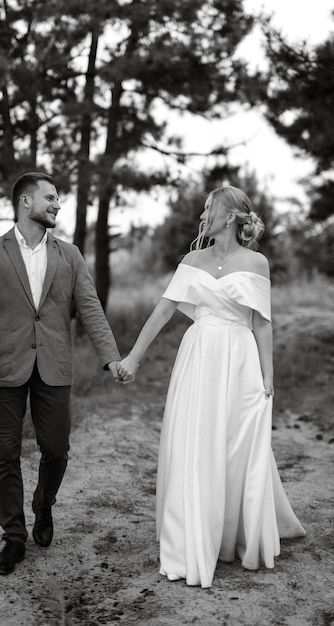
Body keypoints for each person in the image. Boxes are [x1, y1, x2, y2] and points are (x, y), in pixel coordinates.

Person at [118, 185, 305, 588]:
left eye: (209, 208)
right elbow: (164, 310)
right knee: (195, 443)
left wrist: (267, 375)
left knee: (236, 445)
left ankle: (230, 534)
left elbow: (261, 323)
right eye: (203, 208)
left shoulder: (257, 263)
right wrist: (133, 357)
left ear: (233, 215)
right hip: (199, 357)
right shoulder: (192, 260)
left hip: (239, 361)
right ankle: (189, 533)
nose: (203, 215)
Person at [0, 172, 121, 575]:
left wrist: (112, 357)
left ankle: (43, 503)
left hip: (54, 366)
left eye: (58, 199)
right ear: (25, 202)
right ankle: (13, 538)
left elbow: (90, 308)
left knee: (56, 449)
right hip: (4, 366)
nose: (57, 205)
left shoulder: (70, 255)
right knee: (6, 454)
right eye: (50, 198)